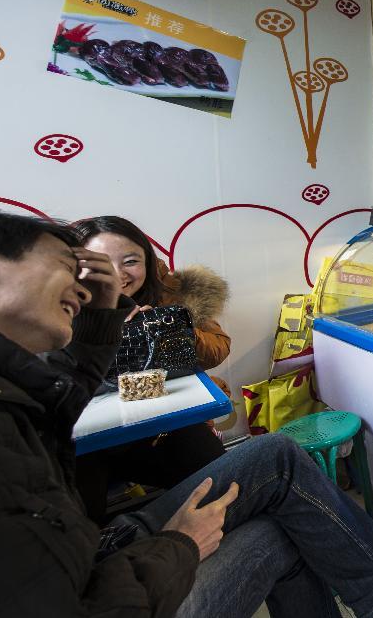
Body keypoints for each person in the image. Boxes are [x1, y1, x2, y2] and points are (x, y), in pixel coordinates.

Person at [0, 208, 373, 617]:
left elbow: (70, 397)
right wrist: (178, 545)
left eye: (124, 263)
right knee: (276, 509)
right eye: (73, 265)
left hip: (102, 539)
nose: (86, 281)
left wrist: (107, 320)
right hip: (104, 571)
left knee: (268, 460)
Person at [73, 216, 230, 522]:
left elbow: (219, 347)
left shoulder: (166, 291)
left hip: (155, 425)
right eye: (101, 263)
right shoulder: (59, 305)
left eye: (130, 261)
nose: (118, 273)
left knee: (216, 477)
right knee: (80, 515)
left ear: (147, 261)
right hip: (87, 439)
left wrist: (169, 330)